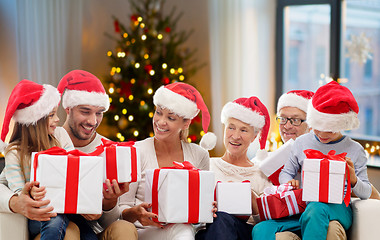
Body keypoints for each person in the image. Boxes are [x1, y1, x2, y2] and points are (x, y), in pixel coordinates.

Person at [100, 82, 216, 240]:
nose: (161, 121)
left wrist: (207, 209)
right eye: (159, 113)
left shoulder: (199, 155)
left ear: (186, 122)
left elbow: (201, 221)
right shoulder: (136, 151)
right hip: (140, 232)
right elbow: (120, 211)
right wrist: (135, 212)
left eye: (171, 118)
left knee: (183, 229)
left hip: (182, 231)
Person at [259, 81, 372, 240]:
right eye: (318, 127)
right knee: (261, 228)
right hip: (304, 208)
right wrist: (289, 182)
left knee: (316, 208)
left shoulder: (355, 149)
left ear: (342, 125)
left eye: (330, 130)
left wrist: (353, 180)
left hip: (338, 209)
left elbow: (366, 193)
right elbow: (285, 173)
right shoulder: (301, 143)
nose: (323, 134)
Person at [0, 80, 94, 240]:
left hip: (67, 207)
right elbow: (18, 192)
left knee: (88, 234)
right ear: (34, 122)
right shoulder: (14, 152)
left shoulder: (60, 136)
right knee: (54, 218)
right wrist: (30, 192)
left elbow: (74, 167)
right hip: (40, 213)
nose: (58, 119)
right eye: (51, 115)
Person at [57, 69, 138, 240]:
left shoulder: (109, 151)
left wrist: (109, 203)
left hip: (93, 232)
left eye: (99, 113)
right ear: (68, 108)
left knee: (123, 228)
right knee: (69, 233)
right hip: (57, 228)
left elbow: (109, 223)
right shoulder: (47, 140)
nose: (93, 121)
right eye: (85, 111)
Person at [195, 96, 273, 240]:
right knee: (220, 219)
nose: (235, 136)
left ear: (254, 137)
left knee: (223, 218)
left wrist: (251, 198)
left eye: (244, 130)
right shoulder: (207, 165)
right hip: (209, 231)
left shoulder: (261, 175)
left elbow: (267, 225)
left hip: (243, 233)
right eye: (231, 128)